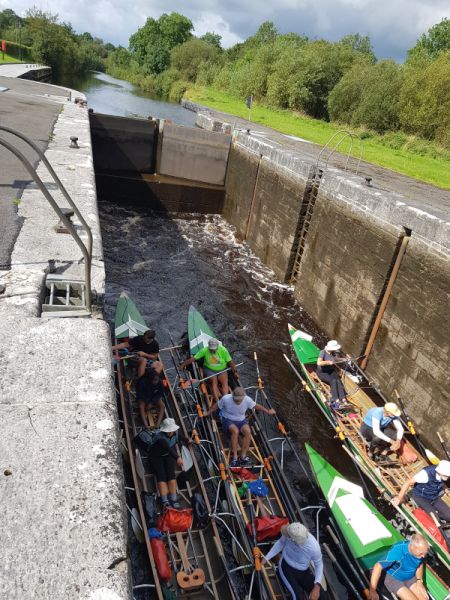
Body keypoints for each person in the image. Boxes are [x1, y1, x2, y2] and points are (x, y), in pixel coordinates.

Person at [204, 386, 275, 467]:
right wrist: (208, 412)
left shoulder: (247, 399)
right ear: (232, 396)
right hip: (227, 419)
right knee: (235, 431)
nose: (238, 402)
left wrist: (268, 411)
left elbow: (256, 406)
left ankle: (243, 457)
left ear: (243, 397)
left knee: (248, 432)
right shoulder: (226, 399)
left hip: (241, 420)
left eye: (239, 400)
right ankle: (235, 458)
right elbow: (216, 406)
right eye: (236, 400)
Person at [262, 522, 327, 600]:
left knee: (322, 596)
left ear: (294, 540)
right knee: (297, 597)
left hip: (303, 572)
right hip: (285, 567)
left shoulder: (314, 547)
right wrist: (266, 558)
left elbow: (319, 565)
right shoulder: (290, 531)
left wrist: (316, 588)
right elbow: (280, 543)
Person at [368, 534, 429, 600]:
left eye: (424, 553)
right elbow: (378, 566)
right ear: (412, 547)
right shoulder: (398, 550)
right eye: (421, 553)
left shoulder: (420, 553)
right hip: (393, 577)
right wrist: (372, 591)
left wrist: (419, 581)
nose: (423, 556)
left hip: (409, 576)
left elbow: (419, 564)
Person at [180, 338, 239, 403]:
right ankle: (217, 401)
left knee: (224, 382)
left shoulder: (223, 350)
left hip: (222, 370)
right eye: (211, 349)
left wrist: (235, 372)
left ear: (217, 346)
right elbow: (193, 359)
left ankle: (225, 400)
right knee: (214, 382)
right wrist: (183, 365)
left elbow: (230, 362)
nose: (213, 351)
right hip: (209, 370)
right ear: (209, 346)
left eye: (214, 349)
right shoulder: (204, 350)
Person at [148, 418, 187, 509]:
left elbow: (181, 438)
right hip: (156, 456)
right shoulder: (159, 437)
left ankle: (174, 500)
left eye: (172, 430)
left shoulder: (175, 433)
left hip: (168, 455)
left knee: (171, 475)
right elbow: (167, 448)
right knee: (162, 477)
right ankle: (165, 502)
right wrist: (177, 457)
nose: (171, 432)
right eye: (169, 430)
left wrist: (188, 440)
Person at [316, 340, 348, 409]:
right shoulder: (323, 352)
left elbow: (335, 359)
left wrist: (344, 359)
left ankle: (343, 399)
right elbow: (319, 363)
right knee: (333, 381)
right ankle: (335, 400)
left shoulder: (332, 353)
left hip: (331, 371)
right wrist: (328, 362)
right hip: (322, 372)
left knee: (338, 380)